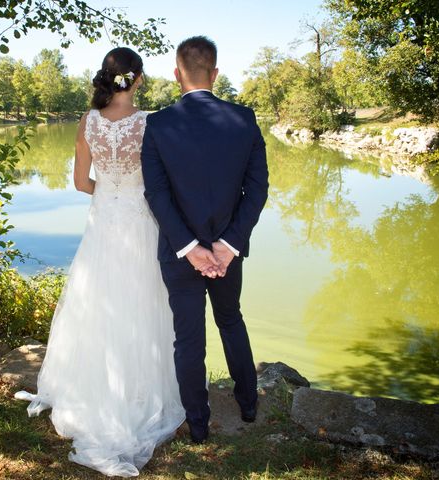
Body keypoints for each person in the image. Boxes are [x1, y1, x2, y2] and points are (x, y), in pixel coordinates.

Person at [14, 47, 185, 477]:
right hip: (141, 222)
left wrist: (110, 193)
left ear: (108, 79)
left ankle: (92, 389)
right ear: (139, 80)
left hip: (105, 221)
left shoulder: (87, 122)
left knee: (99, 300)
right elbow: (161, 183)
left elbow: (79, 182)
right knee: (143, 301)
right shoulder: (149, 123)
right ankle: (141, 395)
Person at [141, 36, 269, 444]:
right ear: (215, 74)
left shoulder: (158, 124)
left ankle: (197, 424)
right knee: (231, 320)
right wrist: (227, 246)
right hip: (227, 254)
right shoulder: (244, 119)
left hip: (180, 256)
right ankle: (248, 405)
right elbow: (259, 188)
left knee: (188, 338)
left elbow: (156, 194)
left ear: (176, 74)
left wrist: (189, 248)